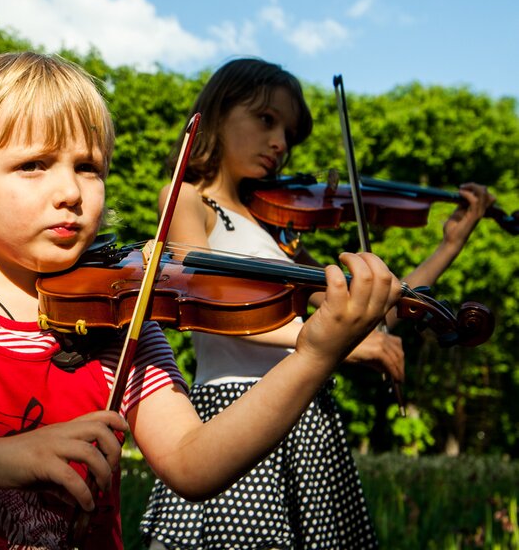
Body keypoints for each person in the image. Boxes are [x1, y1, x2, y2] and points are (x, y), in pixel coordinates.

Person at [0, 51, 403, 549]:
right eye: (34, 165)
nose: (71, 192)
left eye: (89, 167)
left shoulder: (125, 326)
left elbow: (196, 464)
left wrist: (314, 356)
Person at [139, 57, 497, 550]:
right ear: (219, 115)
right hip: (234, 411)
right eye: (266, 120)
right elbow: (202, 301)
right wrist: (336, 345)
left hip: (309, 418)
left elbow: (373, 311)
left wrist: (449, 244)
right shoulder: (188, 200)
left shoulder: (277, 229)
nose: (281, 144)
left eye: (288, 132)